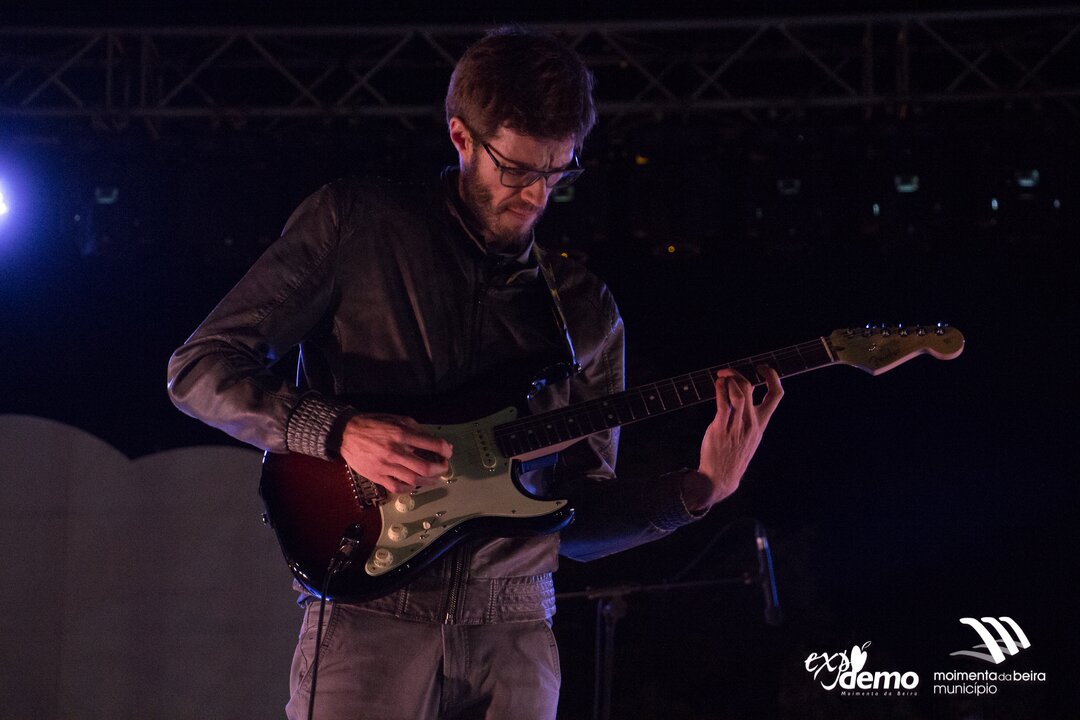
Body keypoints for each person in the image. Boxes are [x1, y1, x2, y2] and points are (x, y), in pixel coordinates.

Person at [167, 26, 782, 720]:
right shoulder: (356, 226)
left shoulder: (585, 309)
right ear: (461, 137)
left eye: (557, 172)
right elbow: (198, 369)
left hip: (515, 629)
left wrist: (699, 489)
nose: (536, 195)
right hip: (371, 617)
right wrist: (336, 431)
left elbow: (576, 520)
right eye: (515, 169)